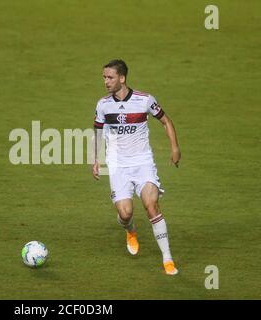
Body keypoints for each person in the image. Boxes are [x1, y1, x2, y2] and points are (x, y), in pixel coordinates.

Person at [92, 59, 181, 275]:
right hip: (118, 165)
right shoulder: (103, 104)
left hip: (142, 163)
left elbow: (166, 121)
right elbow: (98, 131)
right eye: (104, 77)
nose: (106, 81)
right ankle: (130, 230)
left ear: (122, 78)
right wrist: (96, 159)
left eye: (110, 77)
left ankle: (167, 259)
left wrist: (175, 148)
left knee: (151, 206)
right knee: (125, 213)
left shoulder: (144, 100)